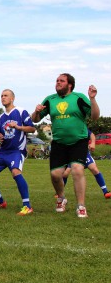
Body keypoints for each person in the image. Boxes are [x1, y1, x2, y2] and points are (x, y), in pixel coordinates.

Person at [31, 73, 99, 218]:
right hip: (59, 143)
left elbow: (94, 116)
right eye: (57, 81)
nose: (58, 83)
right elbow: (35, 120)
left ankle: (81, 205)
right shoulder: (50, 100)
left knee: (77, 170)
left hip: (78, 141)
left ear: (70, 85)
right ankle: (61, 198)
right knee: (55, 175)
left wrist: (92, 99)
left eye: (61, 81)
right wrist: (36, 111)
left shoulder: (79, 98)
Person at [0, 89, 36, 215]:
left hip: (17, 150)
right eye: (1, 96)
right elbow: (1, 134)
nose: (3, 98)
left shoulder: (21, 111)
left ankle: (27, 206)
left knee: (16, 172)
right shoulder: (1, 117)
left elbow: (32, 128)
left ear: (12, 98)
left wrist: (18, 127)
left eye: (5, 96)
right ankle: (0, 202)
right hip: (3, 151)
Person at [62, 129, 111, 199]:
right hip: (73, 156)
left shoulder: (82, 127)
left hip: (85, 154)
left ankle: (105, 192)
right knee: (66, 173)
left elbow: (92, 135)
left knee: (95, 169)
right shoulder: (68, 129)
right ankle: (60, 193)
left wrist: (93, 143)